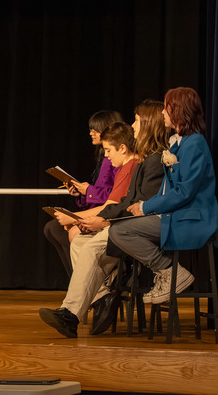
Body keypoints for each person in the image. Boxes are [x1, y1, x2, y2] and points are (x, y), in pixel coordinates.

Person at [38, 101, 169, 338]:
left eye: (137, 120)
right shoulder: (141, 160)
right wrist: (96, 214)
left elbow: (132, 204)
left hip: (136, 229)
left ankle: (87, 303)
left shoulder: (145, 162)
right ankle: (98, 298)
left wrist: (102, 220)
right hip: (124, 223)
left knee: (81, 241)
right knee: (77, 242)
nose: (133, 124)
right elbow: (123, 201)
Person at [108, 87, 218, 305]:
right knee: (120, 227)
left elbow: (185, 191)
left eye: (167, 108)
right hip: (174, 215)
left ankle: (170, 271)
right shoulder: (179, 143)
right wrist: (144, 205)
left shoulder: (195, 143)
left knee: (121, 231)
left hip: (190, 219)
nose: (162, 113)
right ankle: (158, 273)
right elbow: (168, 189)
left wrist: (147, 207)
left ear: (178, 110)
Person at [43, 110, 123, 274]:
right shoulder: (103, 156)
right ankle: (77, 279)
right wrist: (81, 193)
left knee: (62, 229)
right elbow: (100, 193)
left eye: (95, 129)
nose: (91, 133)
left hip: (107, 215)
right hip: (96, 210)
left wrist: (88, 190)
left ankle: (89, 280)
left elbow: (115, 196)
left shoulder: (116, 158)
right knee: (51, 228)